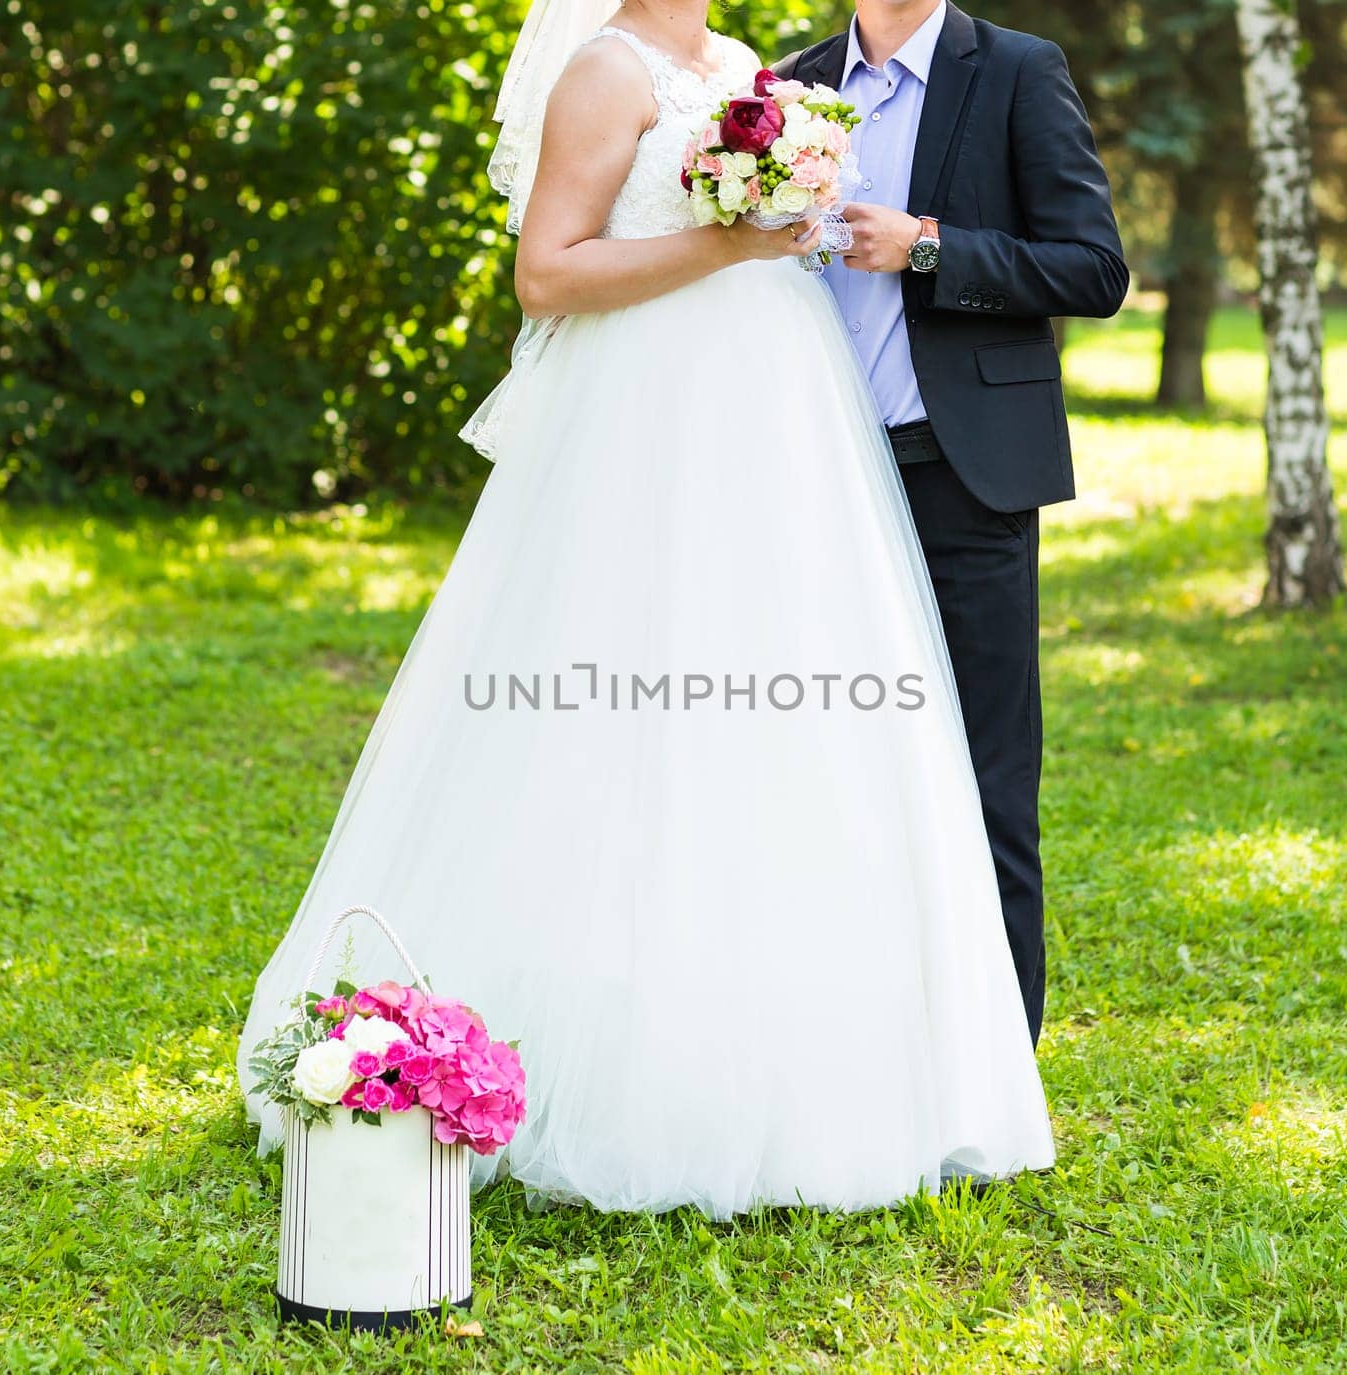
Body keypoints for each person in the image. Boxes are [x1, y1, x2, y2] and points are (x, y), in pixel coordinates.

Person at [235, 0, 1054, 1220]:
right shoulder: (603, 71)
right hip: (651, 427)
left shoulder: (740, 67)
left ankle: (803, 1049)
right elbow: (547, 273)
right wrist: (730, 246)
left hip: (784, 428)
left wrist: (799, 227)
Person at [779, 0, 1129, 1042]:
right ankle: (852, 1040)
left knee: (984, 783)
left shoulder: (1018, 70)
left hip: (960, 481)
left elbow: (1093, 268)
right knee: (825, 770)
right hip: (808, 484)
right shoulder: (787, 89)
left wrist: (928, 247)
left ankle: (995, 1067)